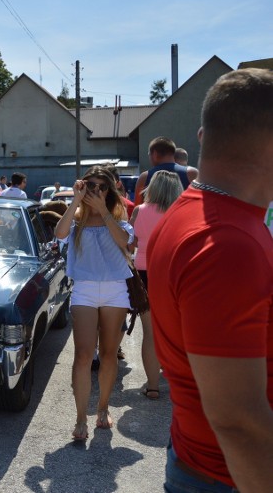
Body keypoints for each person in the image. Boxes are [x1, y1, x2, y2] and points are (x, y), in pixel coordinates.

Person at [147, 68, 273, 493]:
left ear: (203, 136)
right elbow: (239, 422)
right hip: (228, 475)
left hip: (200, 462)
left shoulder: (190, 210)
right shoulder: (228, 244)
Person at [54, 165, 134, 441]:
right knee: (83, 356)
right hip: (85, 290)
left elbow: (124, 241)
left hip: (115, 290)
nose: (95, 191)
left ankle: (102, 408)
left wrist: (102, 211)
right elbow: (59, 233)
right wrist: (76, 200)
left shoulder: (120, 220)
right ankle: (80, 419)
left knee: (109, 354)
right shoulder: (76, 221)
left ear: (110, 191)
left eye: (101, 187)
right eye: (91, 185)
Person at [128, 170, 183, 400]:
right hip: (173, 274)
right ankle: (181, 382)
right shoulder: (180, 213)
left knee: (150, 333)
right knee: (176, 331)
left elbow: (130, 245)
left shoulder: (139, 211)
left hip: (144, 274)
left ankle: (152, 386)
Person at [134, 136, 198, 202]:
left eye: (149, 154)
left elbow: (138, 209)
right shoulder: (192, 173)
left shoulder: (144, 177)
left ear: (155, 154)